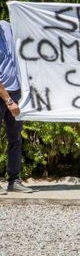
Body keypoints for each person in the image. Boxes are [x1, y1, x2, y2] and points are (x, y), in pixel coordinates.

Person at [0, 20, 31, 195]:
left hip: (16, 93)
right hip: (3, 95)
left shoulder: (6, 26)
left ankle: (14, 180)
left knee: (15, 139)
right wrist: (8, 100)